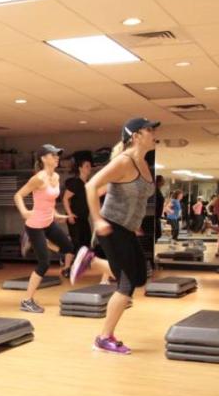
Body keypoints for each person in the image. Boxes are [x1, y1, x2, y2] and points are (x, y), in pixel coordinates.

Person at [73, 117, 158, 355]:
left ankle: (93, 261)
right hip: (111, 226)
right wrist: (98, 219)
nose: (154, 133)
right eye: (149, 130)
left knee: (141, 277)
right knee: (127, 283)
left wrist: (135, 223)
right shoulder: (124, 161)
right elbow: (91, 186)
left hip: (126, 228)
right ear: (136, 136)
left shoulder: (143, 163)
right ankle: (103, 337)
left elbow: (117, 191)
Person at [13, 144, 75, 313]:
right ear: (43, 158)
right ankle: (26, 300)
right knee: (44, 263)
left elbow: (49, 201)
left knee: (69, 247)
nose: (57, 158)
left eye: (57, 155)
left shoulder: (55, 176)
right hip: (35, 225)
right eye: (53, 155)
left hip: (49, 222)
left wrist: (56, 214)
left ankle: (44, 243)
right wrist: (24, 211)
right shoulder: (38, 178)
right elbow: (18, 195)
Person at [62, 155, 93, 253]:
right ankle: (70, 264)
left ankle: (76, 264)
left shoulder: (88, 183)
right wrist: (70, 214)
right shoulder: (75, 183)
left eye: (90, 166)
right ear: (80, 169)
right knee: (77, 244)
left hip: (84, 218)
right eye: (87, 166)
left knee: (87, 242)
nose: (89, 168)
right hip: (75, 218)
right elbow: (65, 199)